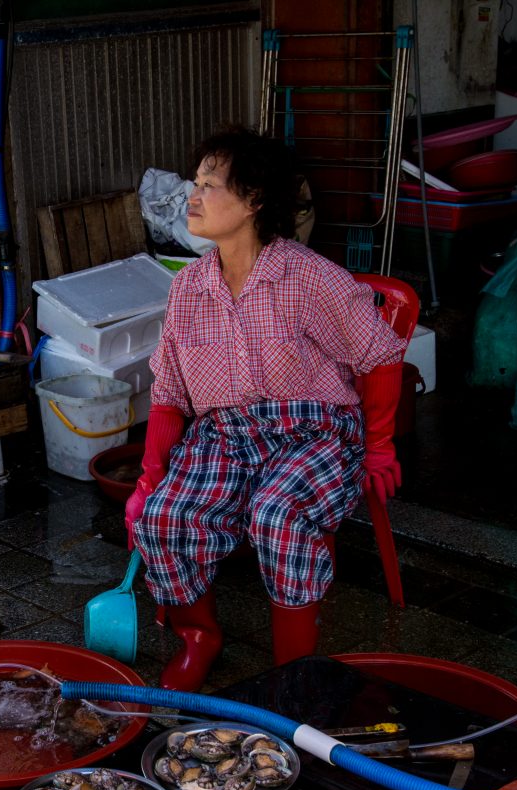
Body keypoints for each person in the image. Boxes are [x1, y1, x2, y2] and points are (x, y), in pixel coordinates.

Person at [125, 126, 407, 692]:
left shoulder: (308, 277)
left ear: (254, 200)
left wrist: (379, 446)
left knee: (277, 516)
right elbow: (169, 396)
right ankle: (199, 638)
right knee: (165, 517)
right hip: (225, 436)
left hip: (314, 432)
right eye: (194, 184)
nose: (193, 198)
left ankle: (291, 672)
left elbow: (379, 357)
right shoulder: (190, 287)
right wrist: (149, 477)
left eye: (209, 186)